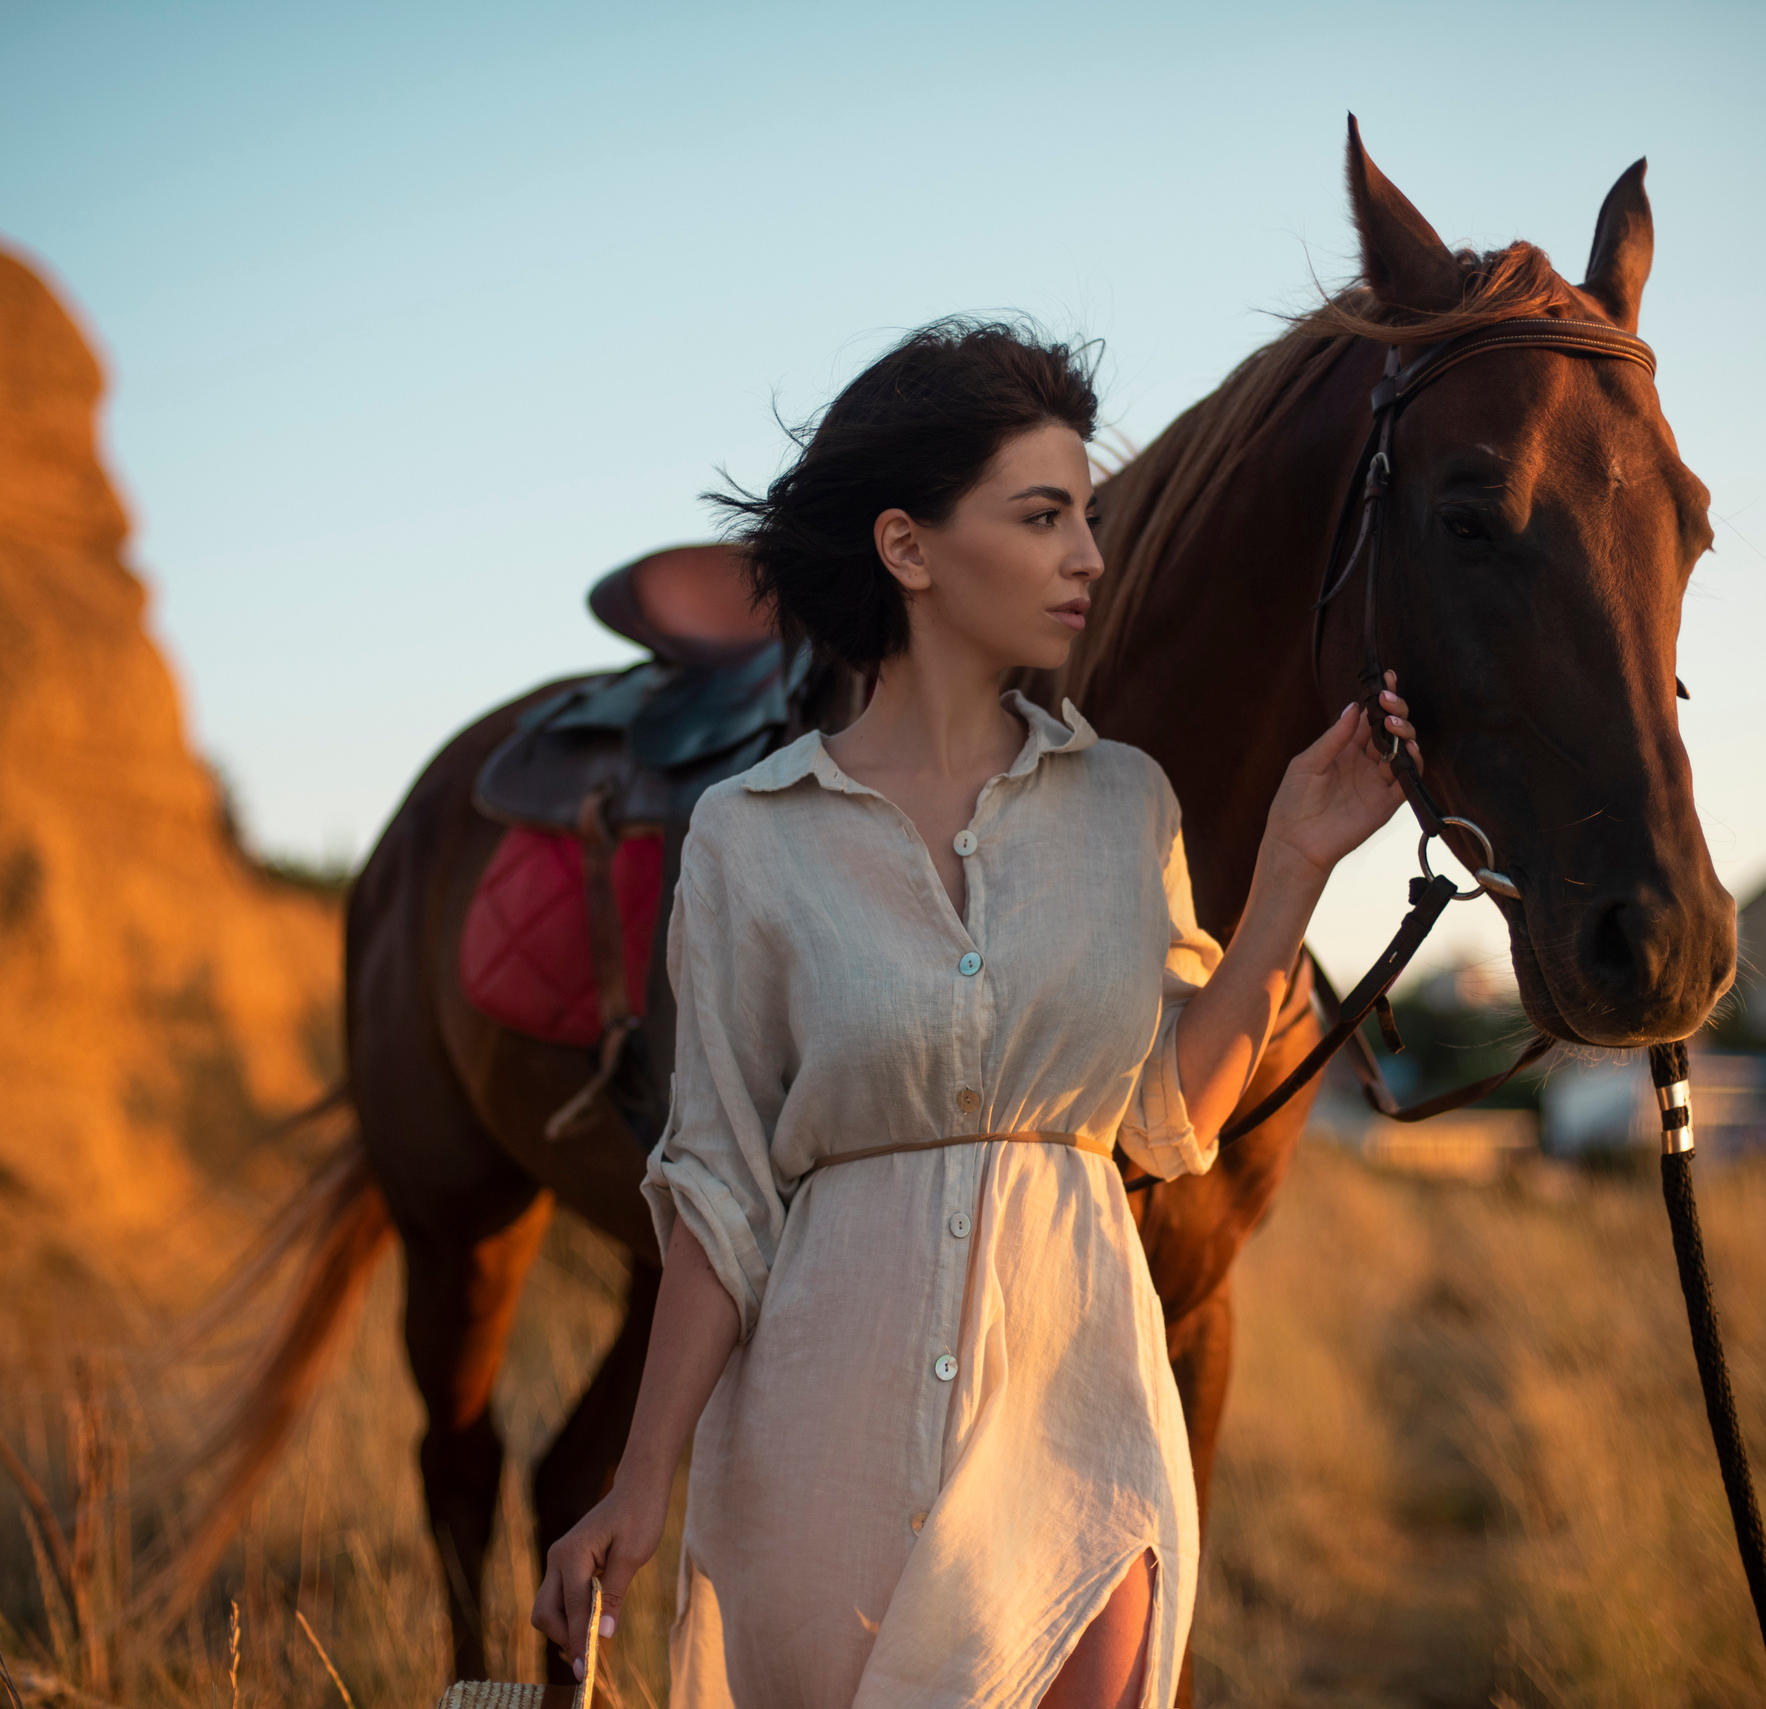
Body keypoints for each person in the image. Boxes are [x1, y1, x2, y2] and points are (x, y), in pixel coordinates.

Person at [531, 320, 1419, 1707]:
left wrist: (1295, 866)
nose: (1089, 555)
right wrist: (638, 1484)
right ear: (909, 548)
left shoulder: (1129, 806)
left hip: (1079, 1427)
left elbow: (1169, 1118)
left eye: (1089, 516)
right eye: (1044, 515)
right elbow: (716, 1188)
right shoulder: (749, 841)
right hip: (817, 1447)